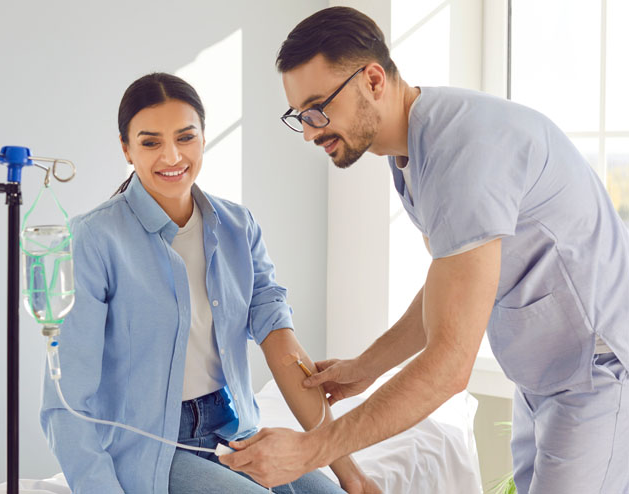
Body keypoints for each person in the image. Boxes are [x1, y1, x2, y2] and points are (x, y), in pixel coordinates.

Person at [219, 7, 629, 494]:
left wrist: (311, 449)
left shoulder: (464, 153)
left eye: (317, 108)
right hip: (541, 376)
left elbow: (451, 367)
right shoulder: (410, 154)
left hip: (594, 374)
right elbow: (448, 289)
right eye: (300, 116)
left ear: (373, 79)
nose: (309, 131)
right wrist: (364, 368)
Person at [39, 72, 378, 494]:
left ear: (203, 139)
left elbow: (285, 353)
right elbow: (64, 403)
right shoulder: (93, 239)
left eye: (185, 137)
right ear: (126, 148)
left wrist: (351, 474)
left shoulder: (238, 227)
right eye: (150, 142)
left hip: (233, 430)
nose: (171, 156)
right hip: (151, 450)